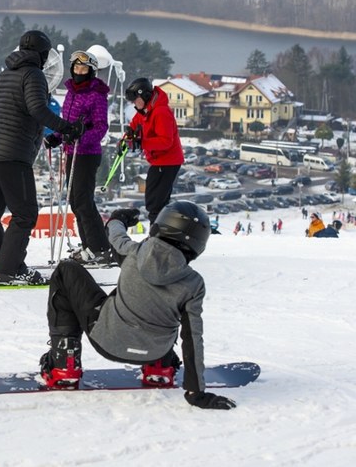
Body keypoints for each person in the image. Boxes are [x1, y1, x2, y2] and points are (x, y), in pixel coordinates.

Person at [40, 201, 236, 410]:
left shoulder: (134, 252)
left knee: (66, 270)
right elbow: (192, 337)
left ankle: (64, 365)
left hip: (107, 341)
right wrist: (196, 392)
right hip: (156, 351)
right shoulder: (193, 283)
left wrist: (118, 219)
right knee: (166, 309)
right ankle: (159, 369)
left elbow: (115, 236)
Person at [0, 30, 84, 283]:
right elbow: (37, 108)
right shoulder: (33, 74)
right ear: (43, 54)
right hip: (13, 153)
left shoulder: (6, 74)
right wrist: (66, 128)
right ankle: (10, 269)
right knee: (25, 214)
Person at [44, 50, 111, 265]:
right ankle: (89, 245)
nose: (79, 72)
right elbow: (68, 124)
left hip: (87, 154)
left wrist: (81, 137)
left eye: (84, 68)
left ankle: (100, 248)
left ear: (91, 71)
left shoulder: (96, 94)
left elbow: (101, 128)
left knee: (83, 202)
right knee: (76, 202)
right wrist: (56, 137)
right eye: (76, 68)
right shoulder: (72, 92)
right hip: (72, 153)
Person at [123, 77, 184, 225]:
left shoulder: (161, 112)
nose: (133, 104)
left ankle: (157, 237)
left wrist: (141, 143)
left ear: (144, 95)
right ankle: (158, 234)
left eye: (135, 100)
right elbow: (133, 126)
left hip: (168, 161)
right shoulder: (145, 111)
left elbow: (166, 141)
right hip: (158, 161)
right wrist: (126, 140)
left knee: (155, 203)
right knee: (154, 201)